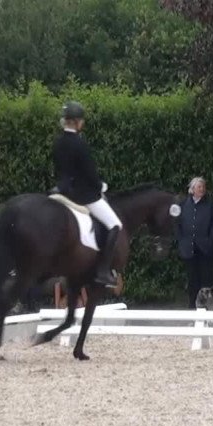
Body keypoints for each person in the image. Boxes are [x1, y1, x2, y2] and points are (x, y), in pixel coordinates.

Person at [53, 101, 122, 287]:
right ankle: (103, 271)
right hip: (83, 196)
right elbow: (89, 173)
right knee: (115, 225)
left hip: (62, 192)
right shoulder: (79, 143)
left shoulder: (58, 142)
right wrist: (101, 186)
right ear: (77, 122)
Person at [176, 177, 213, 309]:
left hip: (205, 247)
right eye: (199, 187)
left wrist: (211, 239)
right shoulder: (183, 204)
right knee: (192, 278)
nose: (202, 189)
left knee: (206, 278)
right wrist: (181, 239)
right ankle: (192, 305)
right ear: (192, 189)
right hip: (189, 247)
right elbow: (177, 224)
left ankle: (207, 305)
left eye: (203, 187)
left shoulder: (210, 205)